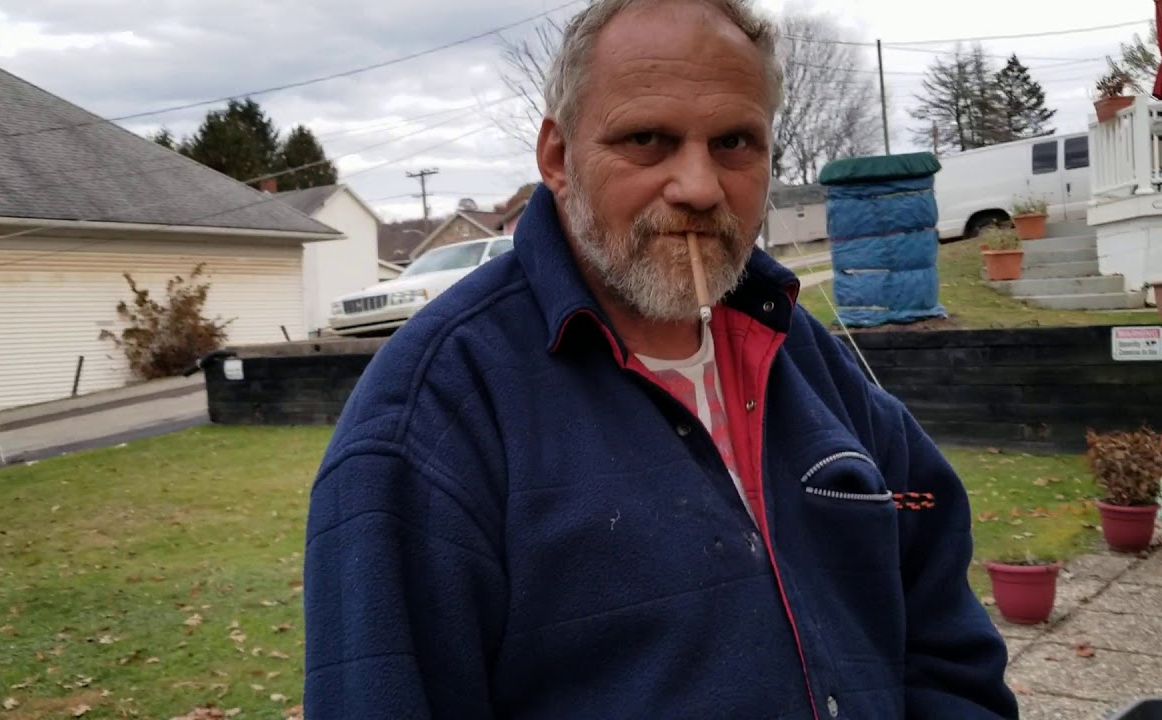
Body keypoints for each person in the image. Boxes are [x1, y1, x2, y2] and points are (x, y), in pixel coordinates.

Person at [302, 0, 1019, 717]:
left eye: (736, 141)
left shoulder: (800, 354)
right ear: (557, 158)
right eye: (648, 139)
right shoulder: (431, 421)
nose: (700, 188)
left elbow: (943, 634)